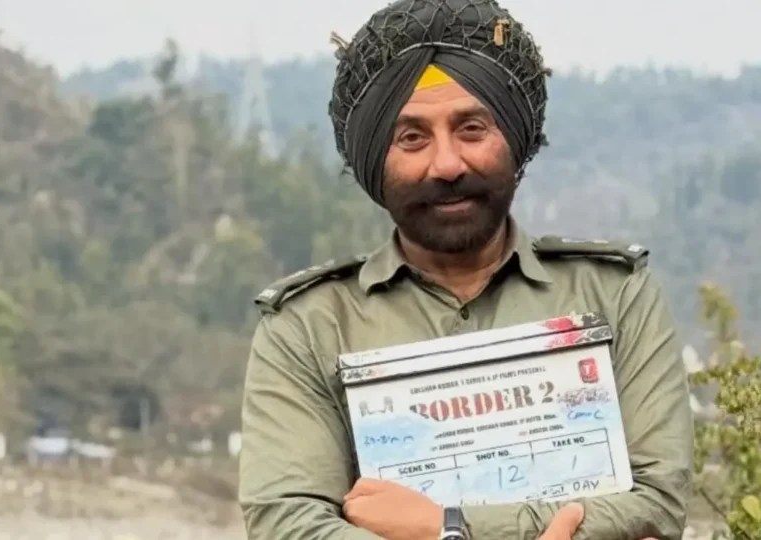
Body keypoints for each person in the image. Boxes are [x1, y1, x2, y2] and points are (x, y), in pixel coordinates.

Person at [237, 0, 694, 539]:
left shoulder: (616, 295)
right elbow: (289, 523)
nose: (448, 164)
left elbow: (656, 504)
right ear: (375, 161)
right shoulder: (307, 328)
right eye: (412, 138)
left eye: (472, 128)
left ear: (514, 141)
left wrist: (444, 528)